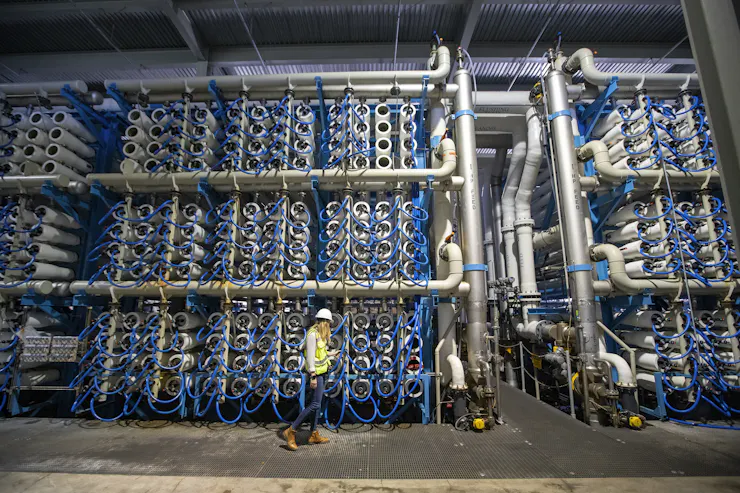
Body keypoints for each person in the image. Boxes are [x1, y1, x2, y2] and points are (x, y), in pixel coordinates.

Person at [282, 308, 334, 450]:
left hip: (322, 373)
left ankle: (314, 434)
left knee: (316, 404)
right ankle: (291, 431)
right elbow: (310, 357)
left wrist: (332, 354)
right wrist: (312, 376)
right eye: (329, 323)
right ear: (325, 323)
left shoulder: (319, 335)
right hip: (315, 374)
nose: (330, 326)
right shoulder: (312, 335)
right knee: (315, 405)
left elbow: (320, 353)